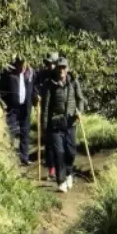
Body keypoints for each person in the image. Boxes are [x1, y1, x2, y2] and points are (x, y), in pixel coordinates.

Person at [40, 57, 86, 193]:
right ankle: (61, 181)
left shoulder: (73, 82)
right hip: (55, 124)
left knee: (70, 153)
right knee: (59, 152)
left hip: (70, 123)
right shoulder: (50, 84)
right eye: (59, 67)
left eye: (64, 67)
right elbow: (46, 106)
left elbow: (80, 99)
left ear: (68, 69)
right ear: (56, 68)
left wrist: (80, 111)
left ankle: (69, 173)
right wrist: (44, 126)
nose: (62, 70)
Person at [0, 56, 35, 166]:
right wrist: (3, 103)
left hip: (25, 107)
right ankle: (10, 157)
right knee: (11, 132)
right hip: (12, 107)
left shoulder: (30, 74)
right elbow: (0, 90)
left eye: (24, 65)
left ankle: (24, 157)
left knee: (25, 132)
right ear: (16, 64)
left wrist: (36, 96)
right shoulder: (9, 74)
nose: (23, 68)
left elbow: (34, 88)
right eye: (20, 65)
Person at [33, 51, 59, 180]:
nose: (48, 66)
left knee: (59, 142)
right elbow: (35, 86)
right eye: (47, 63)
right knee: (49, 142)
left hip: (59, 113)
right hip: (46, 112)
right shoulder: (42, 75)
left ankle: (63, 169)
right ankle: (51, 169)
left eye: (50, 63)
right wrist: (36, 95)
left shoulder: (60, 75)